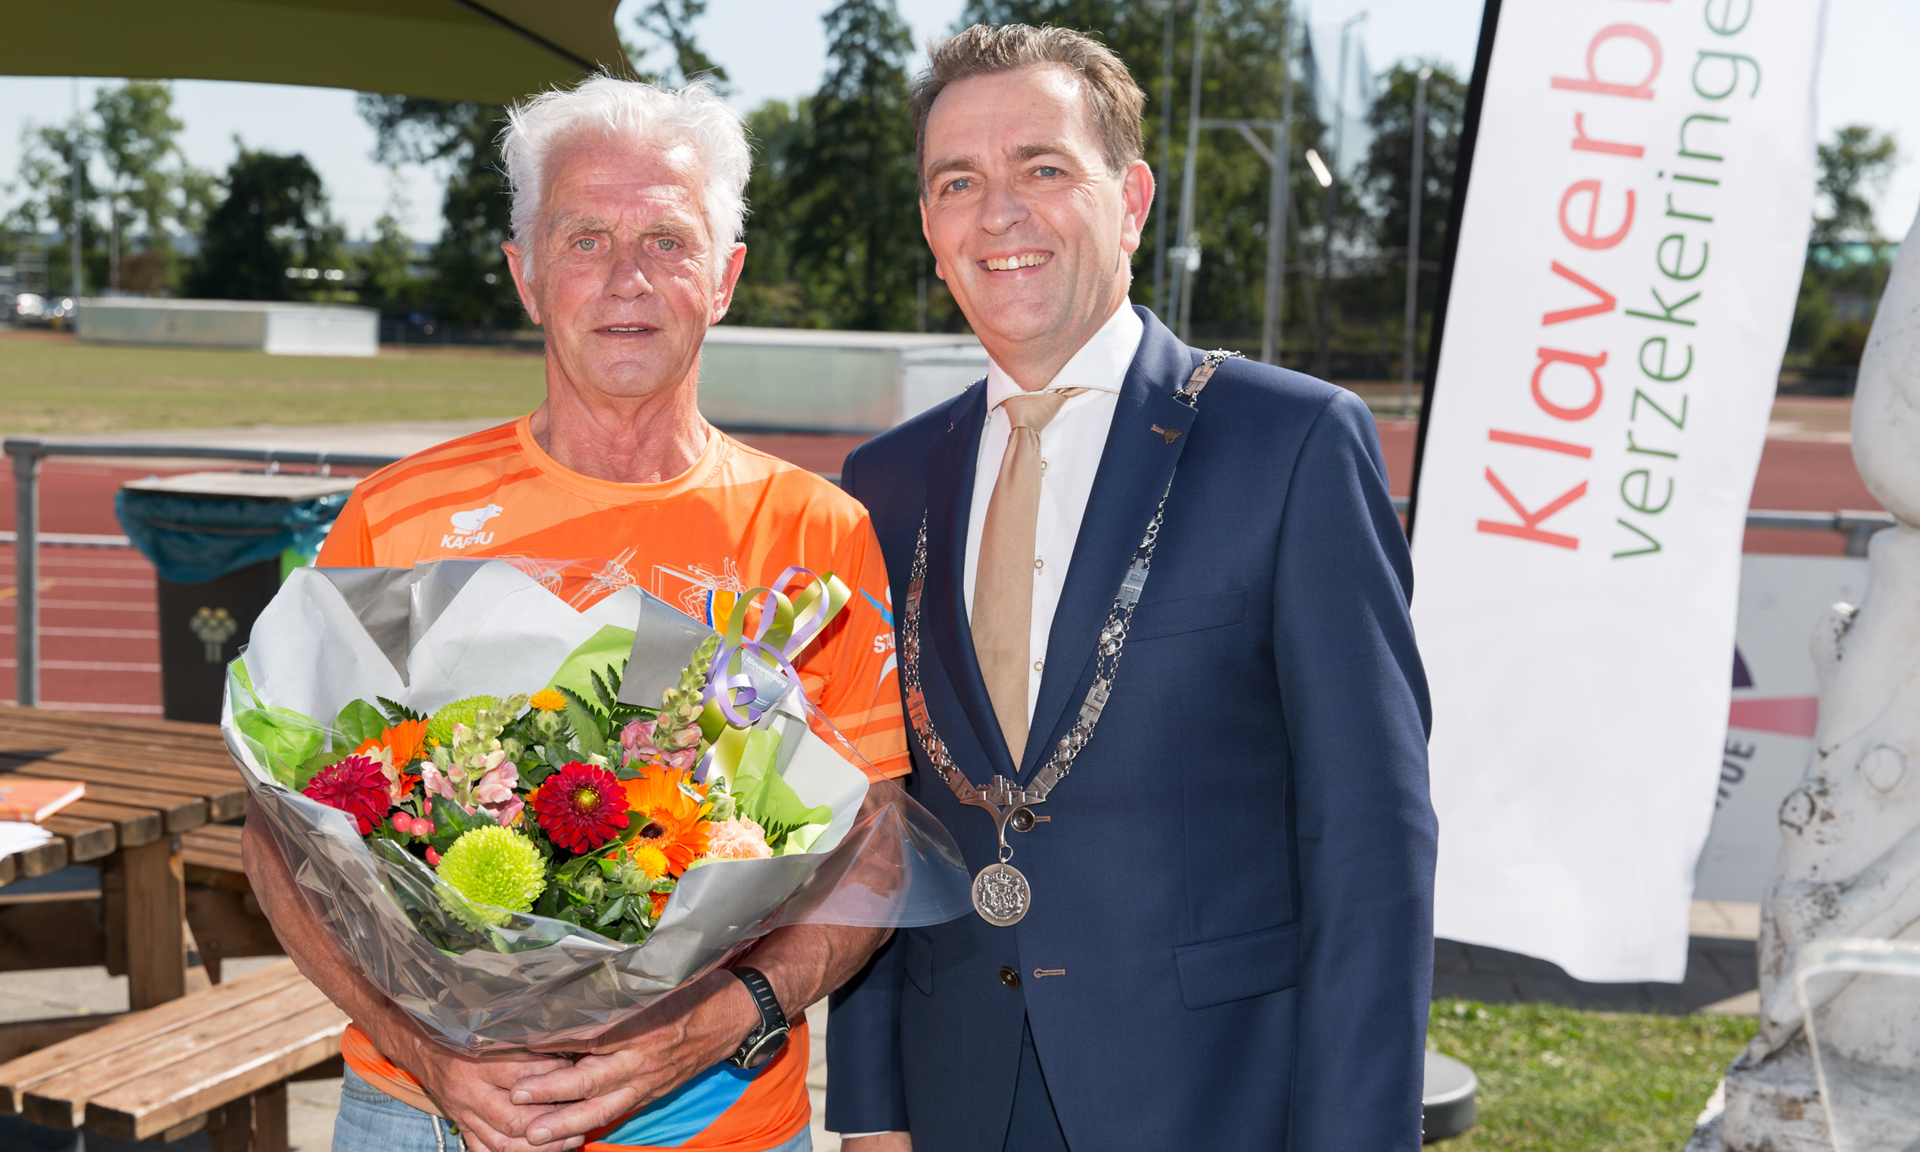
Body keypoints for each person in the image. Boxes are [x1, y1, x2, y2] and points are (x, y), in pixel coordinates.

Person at [241, 76, 910, 1152]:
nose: (627, 279)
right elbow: (278, 846)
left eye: (667, 240)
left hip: (725, 1125)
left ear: (725, 277)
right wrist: (429, 1054)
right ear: (523, 274)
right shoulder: (397, 515)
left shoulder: (815, 536)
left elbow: (876, 852)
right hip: (420, 1117)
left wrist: (716, 1025)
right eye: (585, 238)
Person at [825, 25, 1437, 1151]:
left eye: (1043, 168)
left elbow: (1369, 843)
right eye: (957, 181)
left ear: (1132, 198)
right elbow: (881, 827)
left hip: (1212, 1098)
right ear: (928, 226)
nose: (996, 212)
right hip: (955, 1095)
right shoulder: (882, 483)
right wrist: (868, 1114)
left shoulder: (1288, 442)